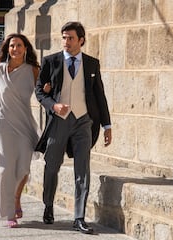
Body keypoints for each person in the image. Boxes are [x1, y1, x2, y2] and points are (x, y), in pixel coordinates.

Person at [35, 21, 112, 234]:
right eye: (64, 37)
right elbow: (40, 91)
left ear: (81, 40)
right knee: (52, 164)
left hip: (83, 120)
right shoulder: (51, 61)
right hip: (59, 120)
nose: (66, 41)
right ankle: (48, 204)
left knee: (83, 169)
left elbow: (99, 95)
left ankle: (78, 217)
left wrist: (107, 125)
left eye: (70, 38)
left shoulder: (92, 64)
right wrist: (54, 105)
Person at [0, 33, 40, 228]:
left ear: (26, 48)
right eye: (12, 46)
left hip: (25, 123)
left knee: (23, 166)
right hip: (4, 123)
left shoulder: (33, 70)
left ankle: (15, 197)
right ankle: (9, 212)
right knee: (6, 168)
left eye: (19, 45)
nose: (15, 49)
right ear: (7, 49)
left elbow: (44, 94)